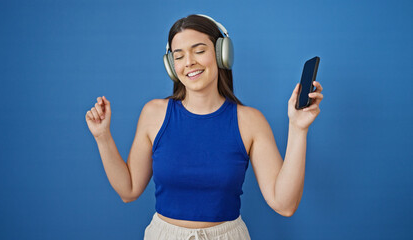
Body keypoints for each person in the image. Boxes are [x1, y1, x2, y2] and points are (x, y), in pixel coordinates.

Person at [85, 14, 323, 240]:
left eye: (199, 51)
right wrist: (102, 136)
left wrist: (298, 129)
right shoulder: (153, 114)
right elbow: (129, 191)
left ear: (222, 54)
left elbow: (285, 205)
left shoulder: (250, 121)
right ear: (171, 66)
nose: (189, 62)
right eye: (178, 56)